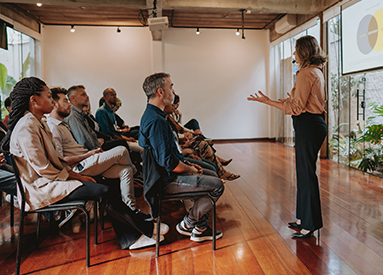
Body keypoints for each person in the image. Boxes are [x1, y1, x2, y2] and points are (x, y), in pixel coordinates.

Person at [1, 77, 168, 250]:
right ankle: (135, 235)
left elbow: (54, 163)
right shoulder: (27, 126)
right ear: (33, 100)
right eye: (49, 96)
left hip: (52, 179)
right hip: (41, 187)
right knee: (103, 191)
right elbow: (44, 169)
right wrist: (79, 177)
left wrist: (79, 176)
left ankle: (139, 228)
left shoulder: (36, 123)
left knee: (106, 183)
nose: (52, 101)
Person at [247, 35, 327, 238]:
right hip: (314, 124)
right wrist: (291, 100)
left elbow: (297, 108)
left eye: (295, 50)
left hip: (308, 125)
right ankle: (303, 218)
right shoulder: (316, 71)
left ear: (303, 52)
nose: (293, 54)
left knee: (306, 174)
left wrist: (268, 101)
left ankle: (310, 225)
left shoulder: (305, 73)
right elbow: (307, 101)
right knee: (303, 172)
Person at [139, 72, 224, 242]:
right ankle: (189, 223)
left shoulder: (154, 115)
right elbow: (170, 164)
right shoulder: (156, 121)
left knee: (211, 173)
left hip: (167, 174)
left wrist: (187, 163)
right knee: (217, 186)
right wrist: (190, 168)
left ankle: (200, 228)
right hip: (166, 181)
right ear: (160, 92)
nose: (173, 90)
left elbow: (170, 154)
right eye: (170, 87)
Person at [47, 87, 139, 213]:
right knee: (122, 150)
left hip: (87, 159)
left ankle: (131, 210)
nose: (69, 104)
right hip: (80, 166)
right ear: (54, 104)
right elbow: (60, 161)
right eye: (65, 101)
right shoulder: (54, 128)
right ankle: (136, 173)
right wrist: (88, 154)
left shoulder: (63, 124)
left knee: (125, 170)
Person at [96, 88, 143, 156]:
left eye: (115, 94)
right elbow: (107, 132)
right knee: (142, 148)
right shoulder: (101, 111)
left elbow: (115, 129)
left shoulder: (111, 111)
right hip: (112, 141)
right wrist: (126, 139)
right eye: (112, 95)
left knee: (142, 144)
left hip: (120, 138)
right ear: (105, 97)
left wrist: (126, 138)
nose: (115, 97)